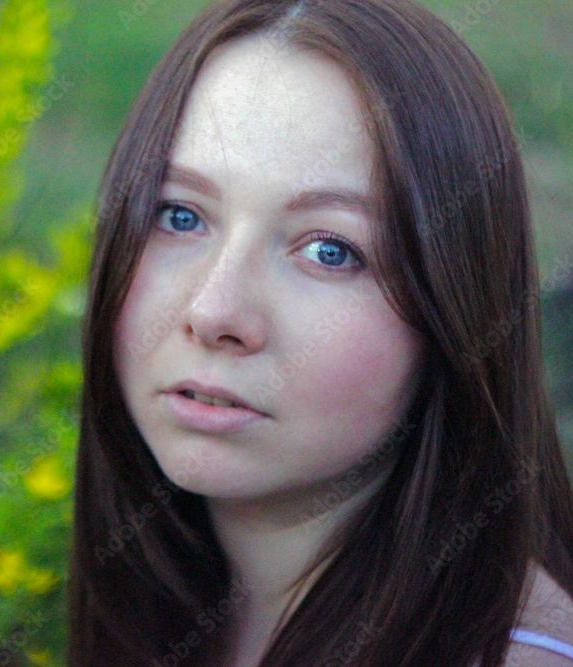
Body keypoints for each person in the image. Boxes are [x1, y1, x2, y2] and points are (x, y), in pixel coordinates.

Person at [66, 0, 573, 665]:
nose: (215, 311)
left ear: (454, 310)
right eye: (180, 215)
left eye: (330, 250)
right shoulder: (170, 599)